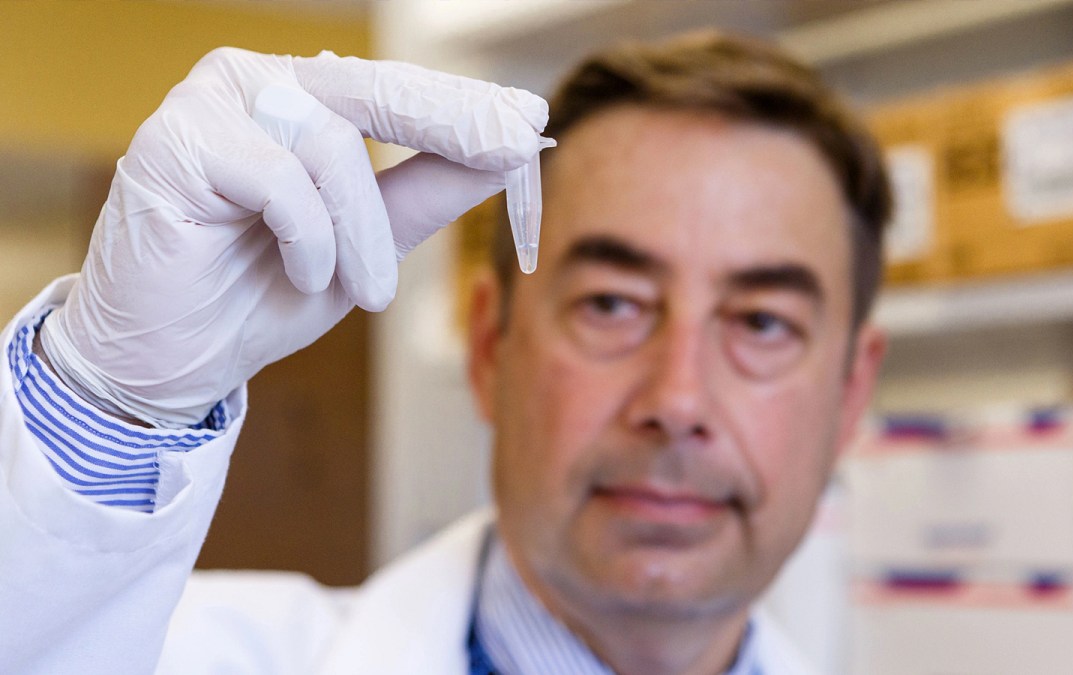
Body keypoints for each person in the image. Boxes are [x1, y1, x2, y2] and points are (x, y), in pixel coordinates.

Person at [0, 31, 889, 675]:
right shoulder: (192, 653)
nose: (678, 398)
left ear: (852, 394)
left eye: (763, 322)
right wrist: (109, 403)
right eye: (613, 304)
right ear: (489, 345)